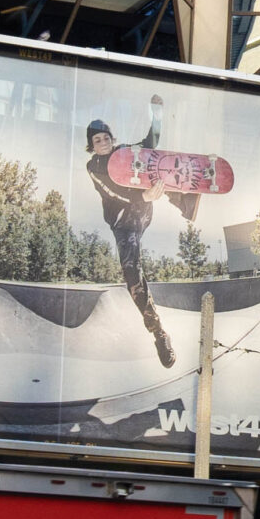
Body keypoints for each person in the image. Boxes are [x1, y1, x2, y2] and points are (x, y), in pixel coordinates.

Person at [84, 97, 175, 368]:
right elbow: (112, 191)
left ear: (112, 139)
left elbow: (150, 144)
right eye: (97, 140)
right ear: (92, 146)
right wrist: (144, 196)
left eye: (105, 138)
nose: (102, 143)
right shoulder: (93, 167)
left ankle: (183, 199)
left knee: (150, 167)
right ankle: (158, 332)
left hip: (142, 214)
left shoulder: (125, 151)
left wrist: (157, 115)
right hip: (124, 223)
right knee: (132, 275)